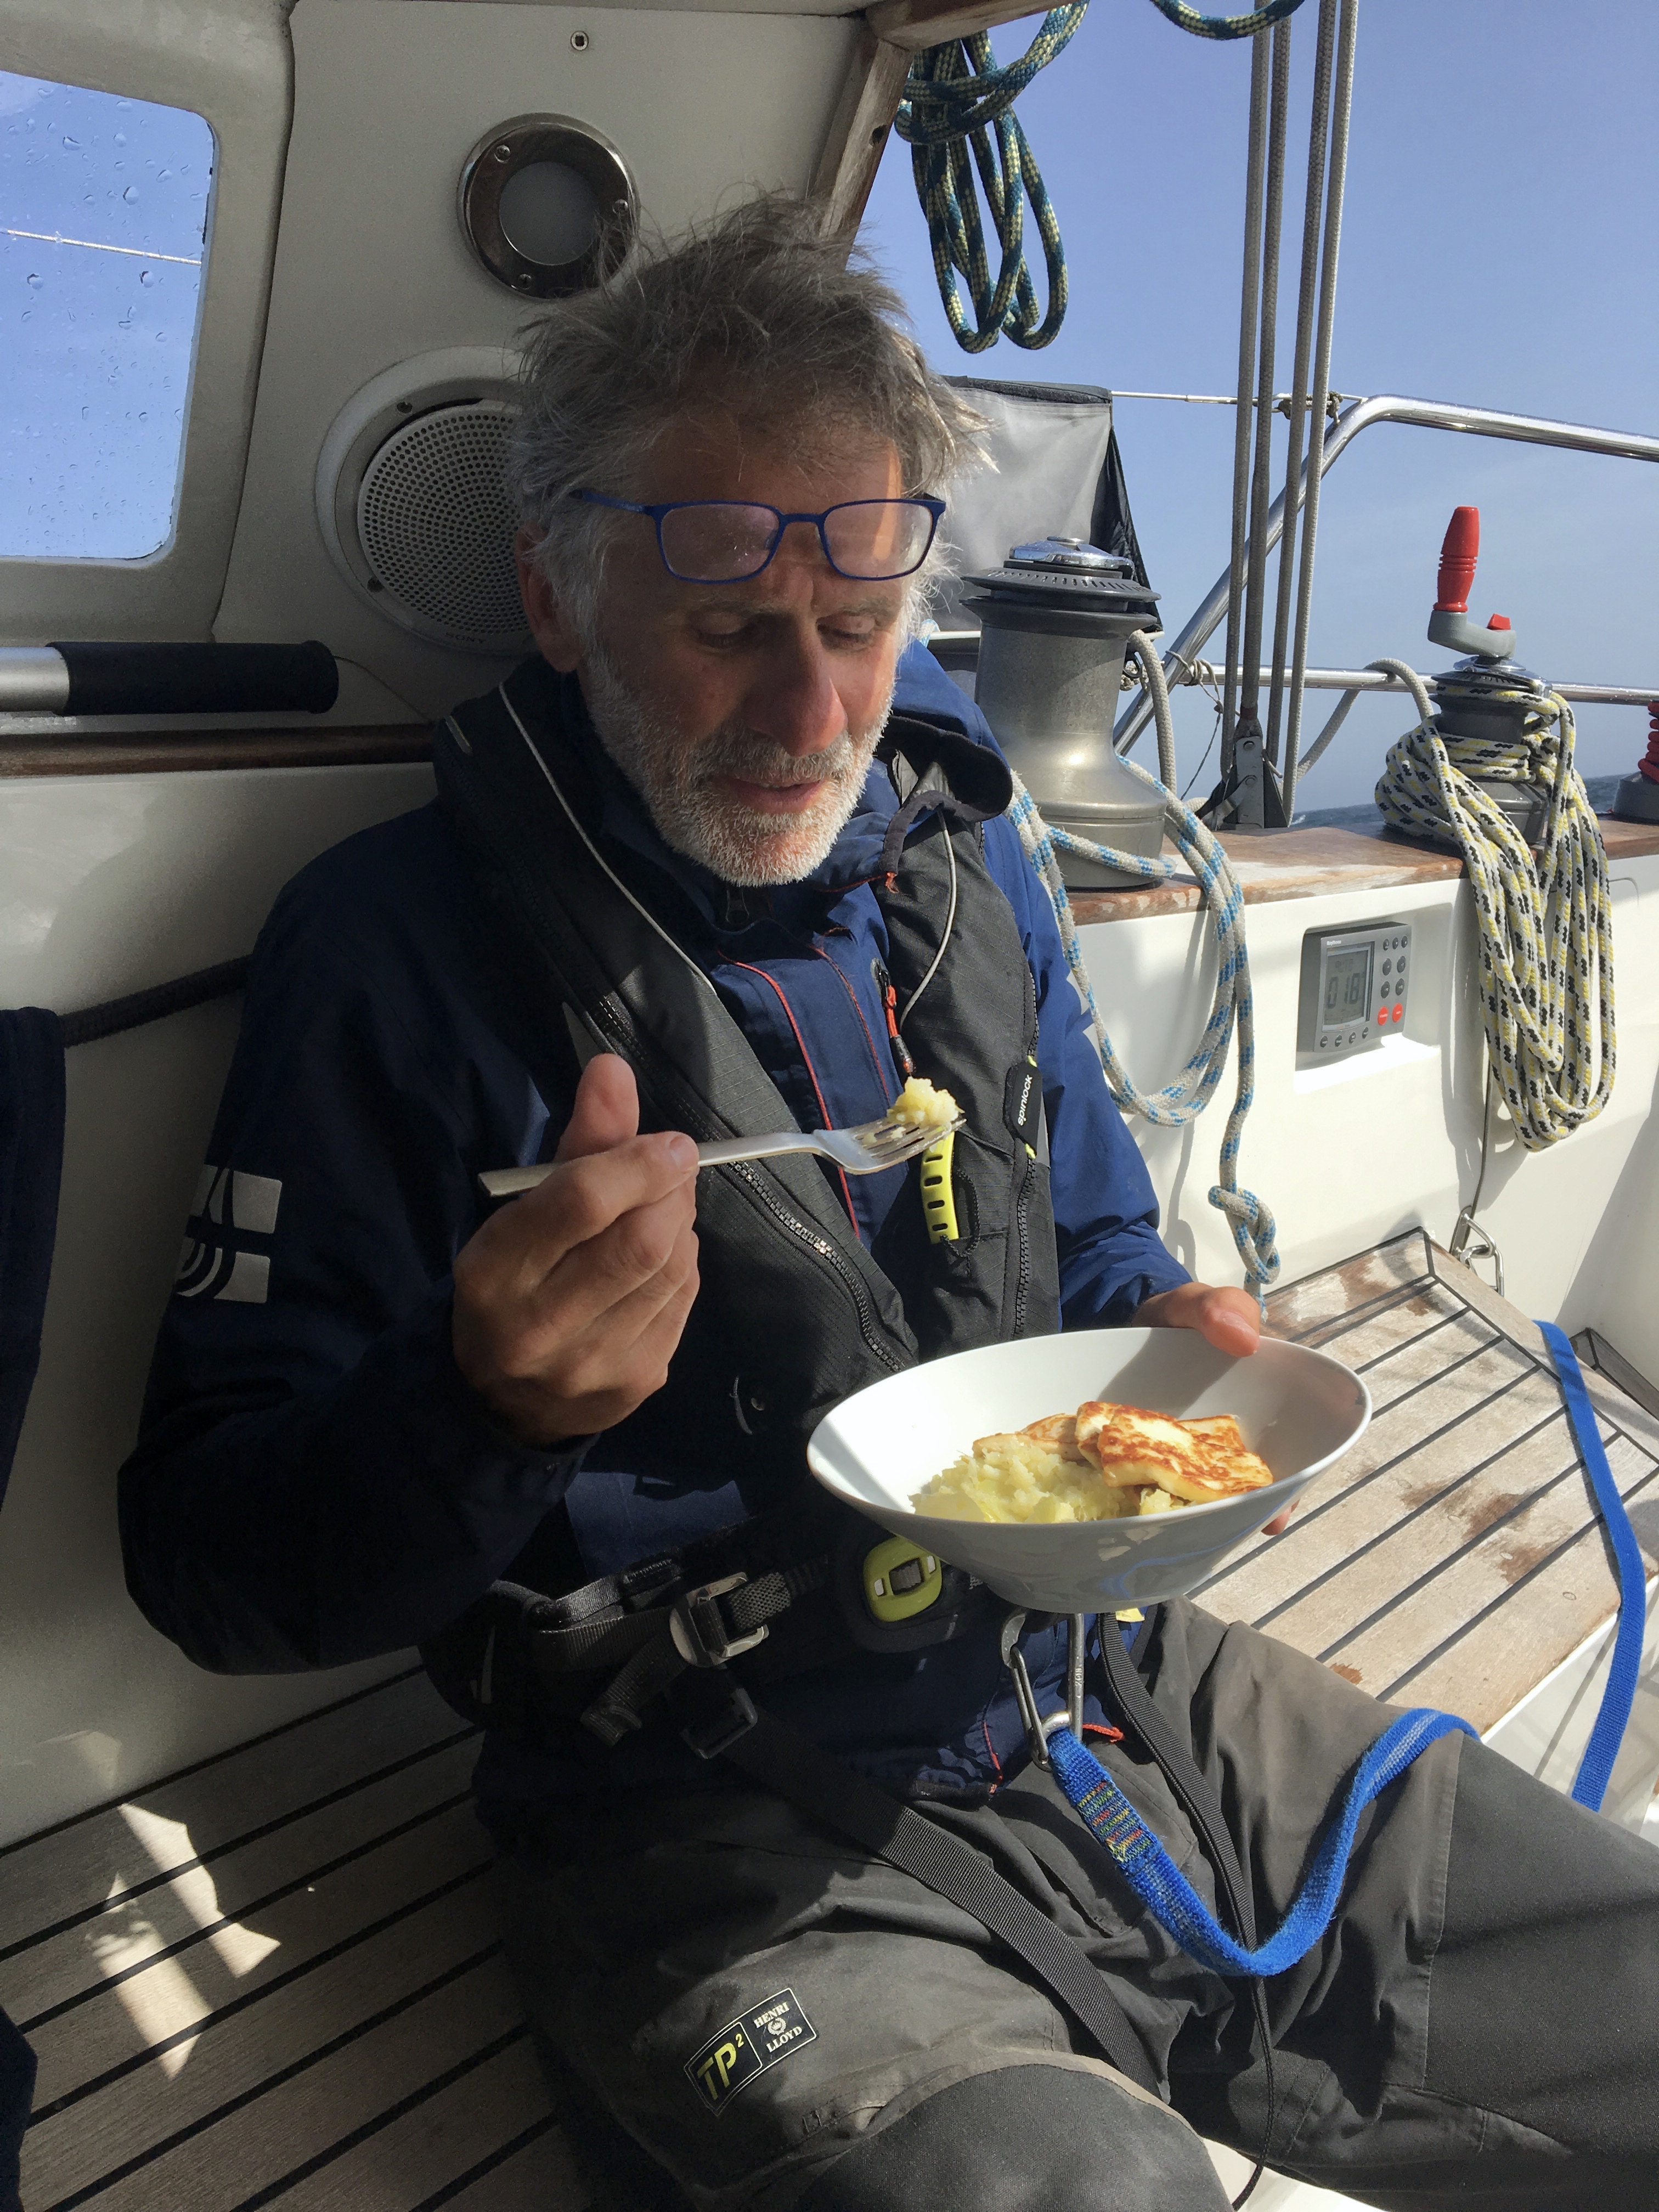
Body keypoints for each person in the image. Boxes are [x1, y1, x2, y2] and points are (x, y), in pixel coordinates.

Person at [120, 200, 1658, 2211]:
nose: (813, 717)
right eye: (729, 631)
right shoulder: (387, 955)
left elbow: (1094, 1241)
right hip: (702, 1813)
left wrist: (1169, 1340)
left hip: (1108, 1681)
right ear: (558, 598)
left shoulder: (961, 856)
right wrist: (479, 1411)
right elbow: (210, 1564)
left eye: (857, 630)